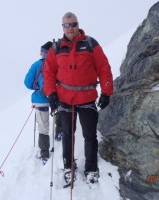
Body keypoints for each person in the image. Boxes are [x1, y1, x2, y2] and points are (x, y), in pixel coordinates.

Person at [43, 12, 113, 185]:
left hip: (87, 98)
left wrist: (106, 92)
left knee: (90, 136)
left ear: (78, 25)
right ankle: (68, 166)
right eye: (66, 25)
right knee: (68, 134)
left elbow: (103, 67)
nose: (70, 28)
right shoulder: (56, 47)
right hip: (65, 98)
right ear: (62, 28)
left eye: (73, 24)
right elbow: (49, 72)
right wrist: (51, 94)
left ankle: (91, 169)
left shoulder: (90, 44)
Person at [24, 41, 53, 164]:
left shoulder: (37, 65)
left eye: (41, 51)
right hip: (57, 98)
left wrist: (36, 87)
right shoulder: (57, 63)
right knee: (59, 120)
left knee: (43, 127)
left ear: (44, 52)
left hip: (40, 100)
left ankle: (45, 154)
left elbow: (27, 82)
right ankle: (59, 137)